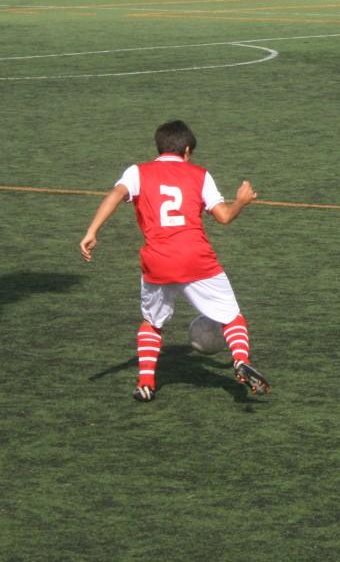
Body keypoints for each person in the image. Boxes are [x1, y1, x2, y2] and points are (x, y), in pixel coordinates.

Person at [79, 120, 271, 402]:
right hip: (197, 259)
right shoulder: (200, 175)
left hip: (158, 262)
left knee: (152, 324)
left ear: (159, 147)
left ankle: (146, 383)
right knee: (232, 318)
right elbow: (224, 217)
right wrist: (241, 200)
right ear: (188, 151)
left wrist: (92, 231)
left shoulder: (138, 172)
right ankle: (240, 359)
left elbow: (116, 194)